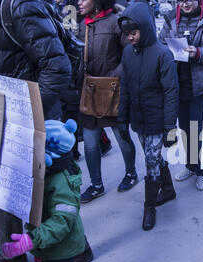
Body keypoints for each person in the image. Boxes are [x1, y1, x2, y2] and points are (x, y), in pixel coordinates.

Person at [0, 0, 72, 262]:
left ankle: (72, 255)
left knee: (52, 193)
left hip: (32, 120)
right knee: (6, 190)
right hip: (5, 116)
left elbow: (58, 68)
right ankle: (12, 252)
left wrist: (26, 113)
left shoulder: (19, 6)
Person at [1, 119, 99, 262]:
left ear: (47, 157)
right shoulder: (46, 173)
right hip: (48, 240)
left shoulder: (60, 183)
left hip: (63, 243)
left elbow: (62, 222)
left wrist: (30, 240)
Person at [117, 2, 179, 230]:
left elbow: (171, 92)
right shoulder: (127, 53)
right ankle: (169, 189)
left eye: (133, 32)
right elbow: (124, 87)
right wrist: (122, 119)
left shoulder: (163, 54)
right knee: (153, 156)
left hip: (156, 121)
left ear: (145, 27)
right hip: (138, 120)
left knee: (151, 162)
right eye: (126, 34)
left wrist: (170, 128)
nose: (130, 37)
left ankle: (149, 207)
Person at [159, 0, 203, 191]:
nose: (185, 4)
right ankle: (190, 166)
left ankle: (202, 171)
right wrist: (170, 51)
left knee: (197, 130)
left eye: (189, 0)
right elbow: (160, 43)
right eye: (181, 0)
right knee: (184, 129)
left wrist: (198, 53)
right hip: (178, 84)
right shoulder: (171, 18)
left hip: (202, 85)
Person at [77, 0, 138, 203]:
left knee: (122, 137)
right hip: (90, 92)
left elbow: (130, 54)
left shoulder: (115, 22)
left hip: (113, 92)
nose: (79, 2)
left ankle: (131, 173)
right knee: (90, 143)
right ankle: (96, 185)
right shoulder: (82, 24)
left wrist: (113, 77)